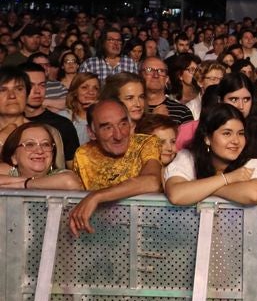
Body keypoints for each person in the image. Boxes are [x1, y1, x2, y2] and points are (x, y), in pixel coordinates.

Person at [68, 99, 163, 235]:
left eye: (123, 124)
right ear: (91, 133)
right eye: (107, 128)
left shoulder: (146, 143)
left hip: (145, 232)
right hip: (98, 234)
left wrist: (96, 197)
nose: (118, 135)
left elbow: (152, 182)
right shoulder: (83, 154)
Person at [163, 104, 257, 206]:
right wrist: (228, 178)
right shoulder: (188, 157)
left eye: (240, 134)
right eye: (226, 133)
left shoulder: (252, 163)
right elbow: (176, 195)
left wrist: (201, 190)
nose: (236, 141)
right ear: (207, 138)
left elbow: (254, 194)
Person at [0, 122, 83, 190]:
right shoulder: (11, 171)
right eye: (30, 144)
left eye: (45, 144)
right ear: (14, 157)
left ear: (53, 154)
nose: (40, 151)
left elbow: (70, 183)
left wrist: (25, 184)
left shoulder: (61, 175)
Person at [141, 56, 193, 125]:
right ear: (139, 76)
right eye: (149, 70)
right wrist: (153, 119)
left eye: (161, 71)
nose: (156, 75)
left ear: (167, 79)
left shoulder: (182, 112)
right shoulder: (133, 109)